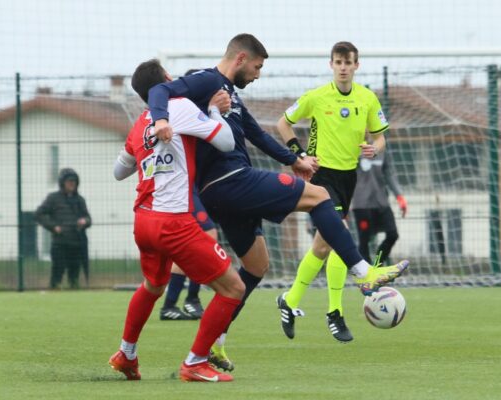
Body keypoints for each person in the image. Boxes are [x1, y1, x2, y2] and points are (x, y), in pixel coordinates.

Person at [147, 34, 409, 370]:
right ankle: (363, 272)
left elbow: (256, 133)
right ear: (241, 58)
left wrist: (294, 159)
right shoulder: (208, 79)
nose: (258, 75)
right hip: (231, 180)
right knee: (319, 196)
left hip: (225, 191)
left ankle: (213, 343)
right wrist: (161, 119)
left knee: (255, 268)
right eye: (257, 67)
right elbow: (159, 91)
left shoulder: (230, 95)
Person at [108, 59, 245, 382]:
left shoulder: (142, 121)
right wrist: (213, 111)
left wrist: (148, 151)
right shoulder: (180, 107)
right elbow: (226, 142)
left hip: (143, 222)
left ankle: (127, 354)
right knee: (232, 288)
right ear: (169, 80)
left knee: (153, 284)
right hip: (173, 222)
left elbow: (118, 172)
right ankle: (195, 362)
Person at [275, 41, 405, 343]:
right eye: (338, 62)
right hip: (320, 176)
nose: (343, 67)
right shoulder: (317, 97)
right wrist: (299, 154)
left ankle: (290, 301)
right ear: (331, 65)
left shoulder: (367, 98)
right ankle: (335, 312)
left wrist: (375, 147)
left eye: (348, 62)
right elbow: (284, 123)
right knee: (339, 235)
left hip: (349, 177)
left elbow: (381, 136)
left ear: (356, 66)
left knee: (323, 246)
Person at [158, 69, 217, 322]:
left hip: (194, 188)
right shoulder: (185, 112)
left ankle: (174, 303)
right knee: (207, 236)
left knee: (192, 246)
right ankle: (188, 300)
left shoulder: (190, 112)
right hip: (184, 189)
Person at [158, 190, 216, 321]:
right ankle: (191, 298)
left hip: (189, 190)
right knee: (208, 235)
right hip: (185, 190)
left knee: (187, 247)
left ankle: (170, 305)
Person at [35, 168, 91, 289]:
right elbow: (39, 214)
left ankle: (74, 292)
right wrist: (53, 227)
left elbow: (88, 219)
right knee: (57, 273)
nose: (72, 183)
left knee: (74, 275)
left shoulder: (80, 200)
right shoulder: (53, 198)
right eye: (69, 181)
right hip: (60, 243)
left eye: (74, 181)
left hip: (77, 243)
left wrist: (84, 221)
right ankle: (54, 290)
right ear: (62, 183)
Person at [352, 148, 408, 265]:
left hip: (381, 202)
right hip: (362, 204)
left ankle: (378, 264)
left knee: (393, 234)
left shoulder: (382, 150)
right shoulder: (353, 149)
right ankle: (366, 274)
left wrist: (399, 196)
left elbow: (389, 174)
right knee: (364, 240)